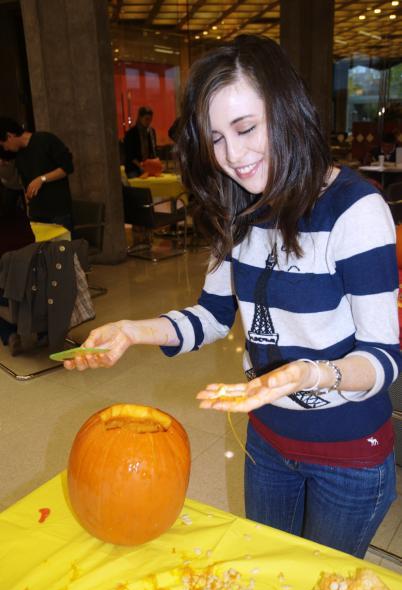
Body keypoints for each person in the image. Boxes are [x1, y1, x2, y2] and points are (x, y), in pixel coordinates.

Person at [63, 35, 401, 559]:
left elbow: (383, 360)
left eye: (245, 129)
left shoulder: (356, 211)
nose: (232, 157)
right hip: (267, 442)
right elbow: (212, 315)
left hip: (348, 456)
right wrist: (133, 331)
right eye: (216, 139)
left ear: (287, 113)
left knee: (319, 586)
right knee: (265, 575)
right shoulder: (237, 208)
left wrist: (312, 373)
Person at [0, 117, 74, 230]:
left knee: (62, 247)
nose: (5, 148)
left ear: (10, 135)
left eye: (3, 144)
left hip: (58, 212)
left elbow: (67, 167)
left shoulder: (45, 139)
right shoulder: (19, 154)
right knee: (42, 248)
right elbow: (24, 184)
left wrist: (42, 179)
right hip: (36, 215)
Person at [0, 180, 35, 355]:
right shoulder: (21, 218)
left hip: (9, 295)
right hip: (39, 289)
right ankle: (45, 332)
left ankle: (10, 334)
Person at [123, 106, 157, 178]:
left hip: (148, 167)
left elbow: (152, 152)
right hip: (134, 168)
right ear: (140, 118)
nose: (149, 122)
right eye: (146, 119)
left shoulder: (151, 132)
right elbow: (130, 155)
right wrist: (140, 166)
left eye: (150, 120)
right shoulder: (131, 133)